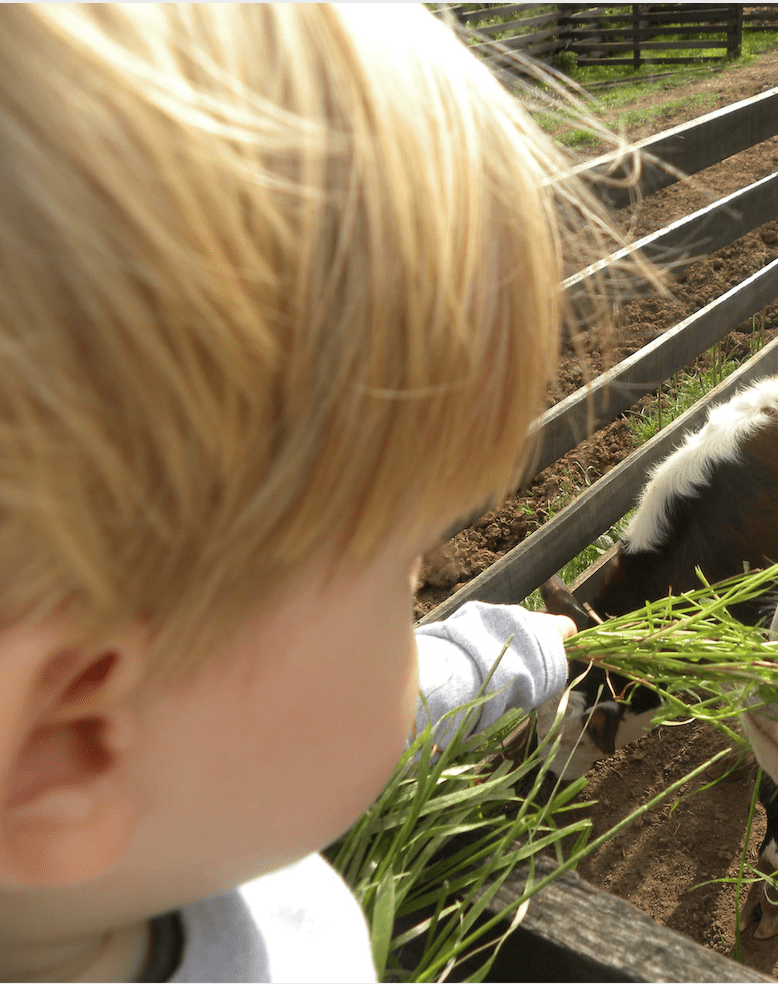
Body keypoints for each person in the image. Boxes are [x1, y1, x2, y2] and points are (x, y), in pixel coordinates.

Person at [0, 5, 638, 980]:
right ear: (74, 739)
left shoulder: (172, 791)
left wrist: (515, 653)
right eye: (403, 579)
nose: (422, 602)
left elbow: (273, 704)